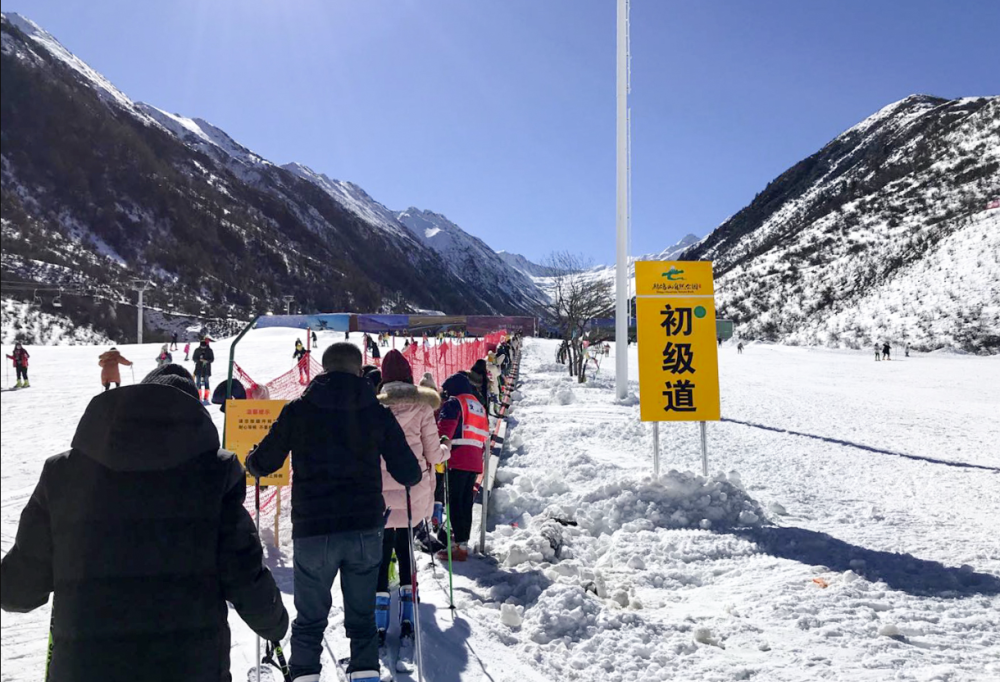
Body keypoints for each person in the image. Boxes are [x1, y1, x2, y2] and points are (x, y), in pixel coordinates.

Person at [0, 364, 288, 681]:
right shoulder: (215, 473)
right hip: (188, 667)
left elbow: (18, 590)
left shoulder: (63, 474)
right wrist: (273, 621)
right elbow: (243, 573)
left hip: (86, 668)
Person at [245, 343, 421, 682]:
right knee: (362, 618)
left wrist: (253, 458)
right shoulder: (375, 412)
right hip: (364, 528)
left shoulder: (299, 409)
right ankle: (365, 674)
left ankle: (306, 675)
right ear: (359, 371)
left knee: (309, 620)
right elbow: (409, 473)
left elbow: (263, 463)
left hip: (314, 530)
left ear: (322, 370)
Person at [374, 351, 449, 647]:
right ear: (408, 375)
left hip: (379, 495)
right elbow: (433, 454)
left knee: (381, 556)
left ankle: (379, 623)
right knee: (406, 552)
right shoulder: (421, 407)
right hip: (411, 490)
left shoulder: (373, 408)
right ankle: (407, 616)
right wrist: (445, 448)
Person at [436, 372, 490, 562]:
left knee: (454, 503)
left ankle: (458, 546)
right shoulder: (478, 406)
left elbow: (444, 431)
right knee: (465, 502)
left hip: (457, 458)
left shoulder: (454, 402)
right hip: (475, 460)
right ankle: (463, 543)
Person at [192, 338, 215, 403]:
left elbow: (212, 359)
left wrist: (207, 361)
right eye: (202, 347)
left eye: (204, 347)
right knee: (198, 382)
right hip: (198, 368)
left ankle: (206, 396)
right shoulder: (197, 350)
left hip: (207, 369)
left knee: (206, 382)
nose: (203, 348)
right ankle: (198, 396)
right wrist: (199, 360)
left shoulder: (209, 350)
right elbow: (194, 358)